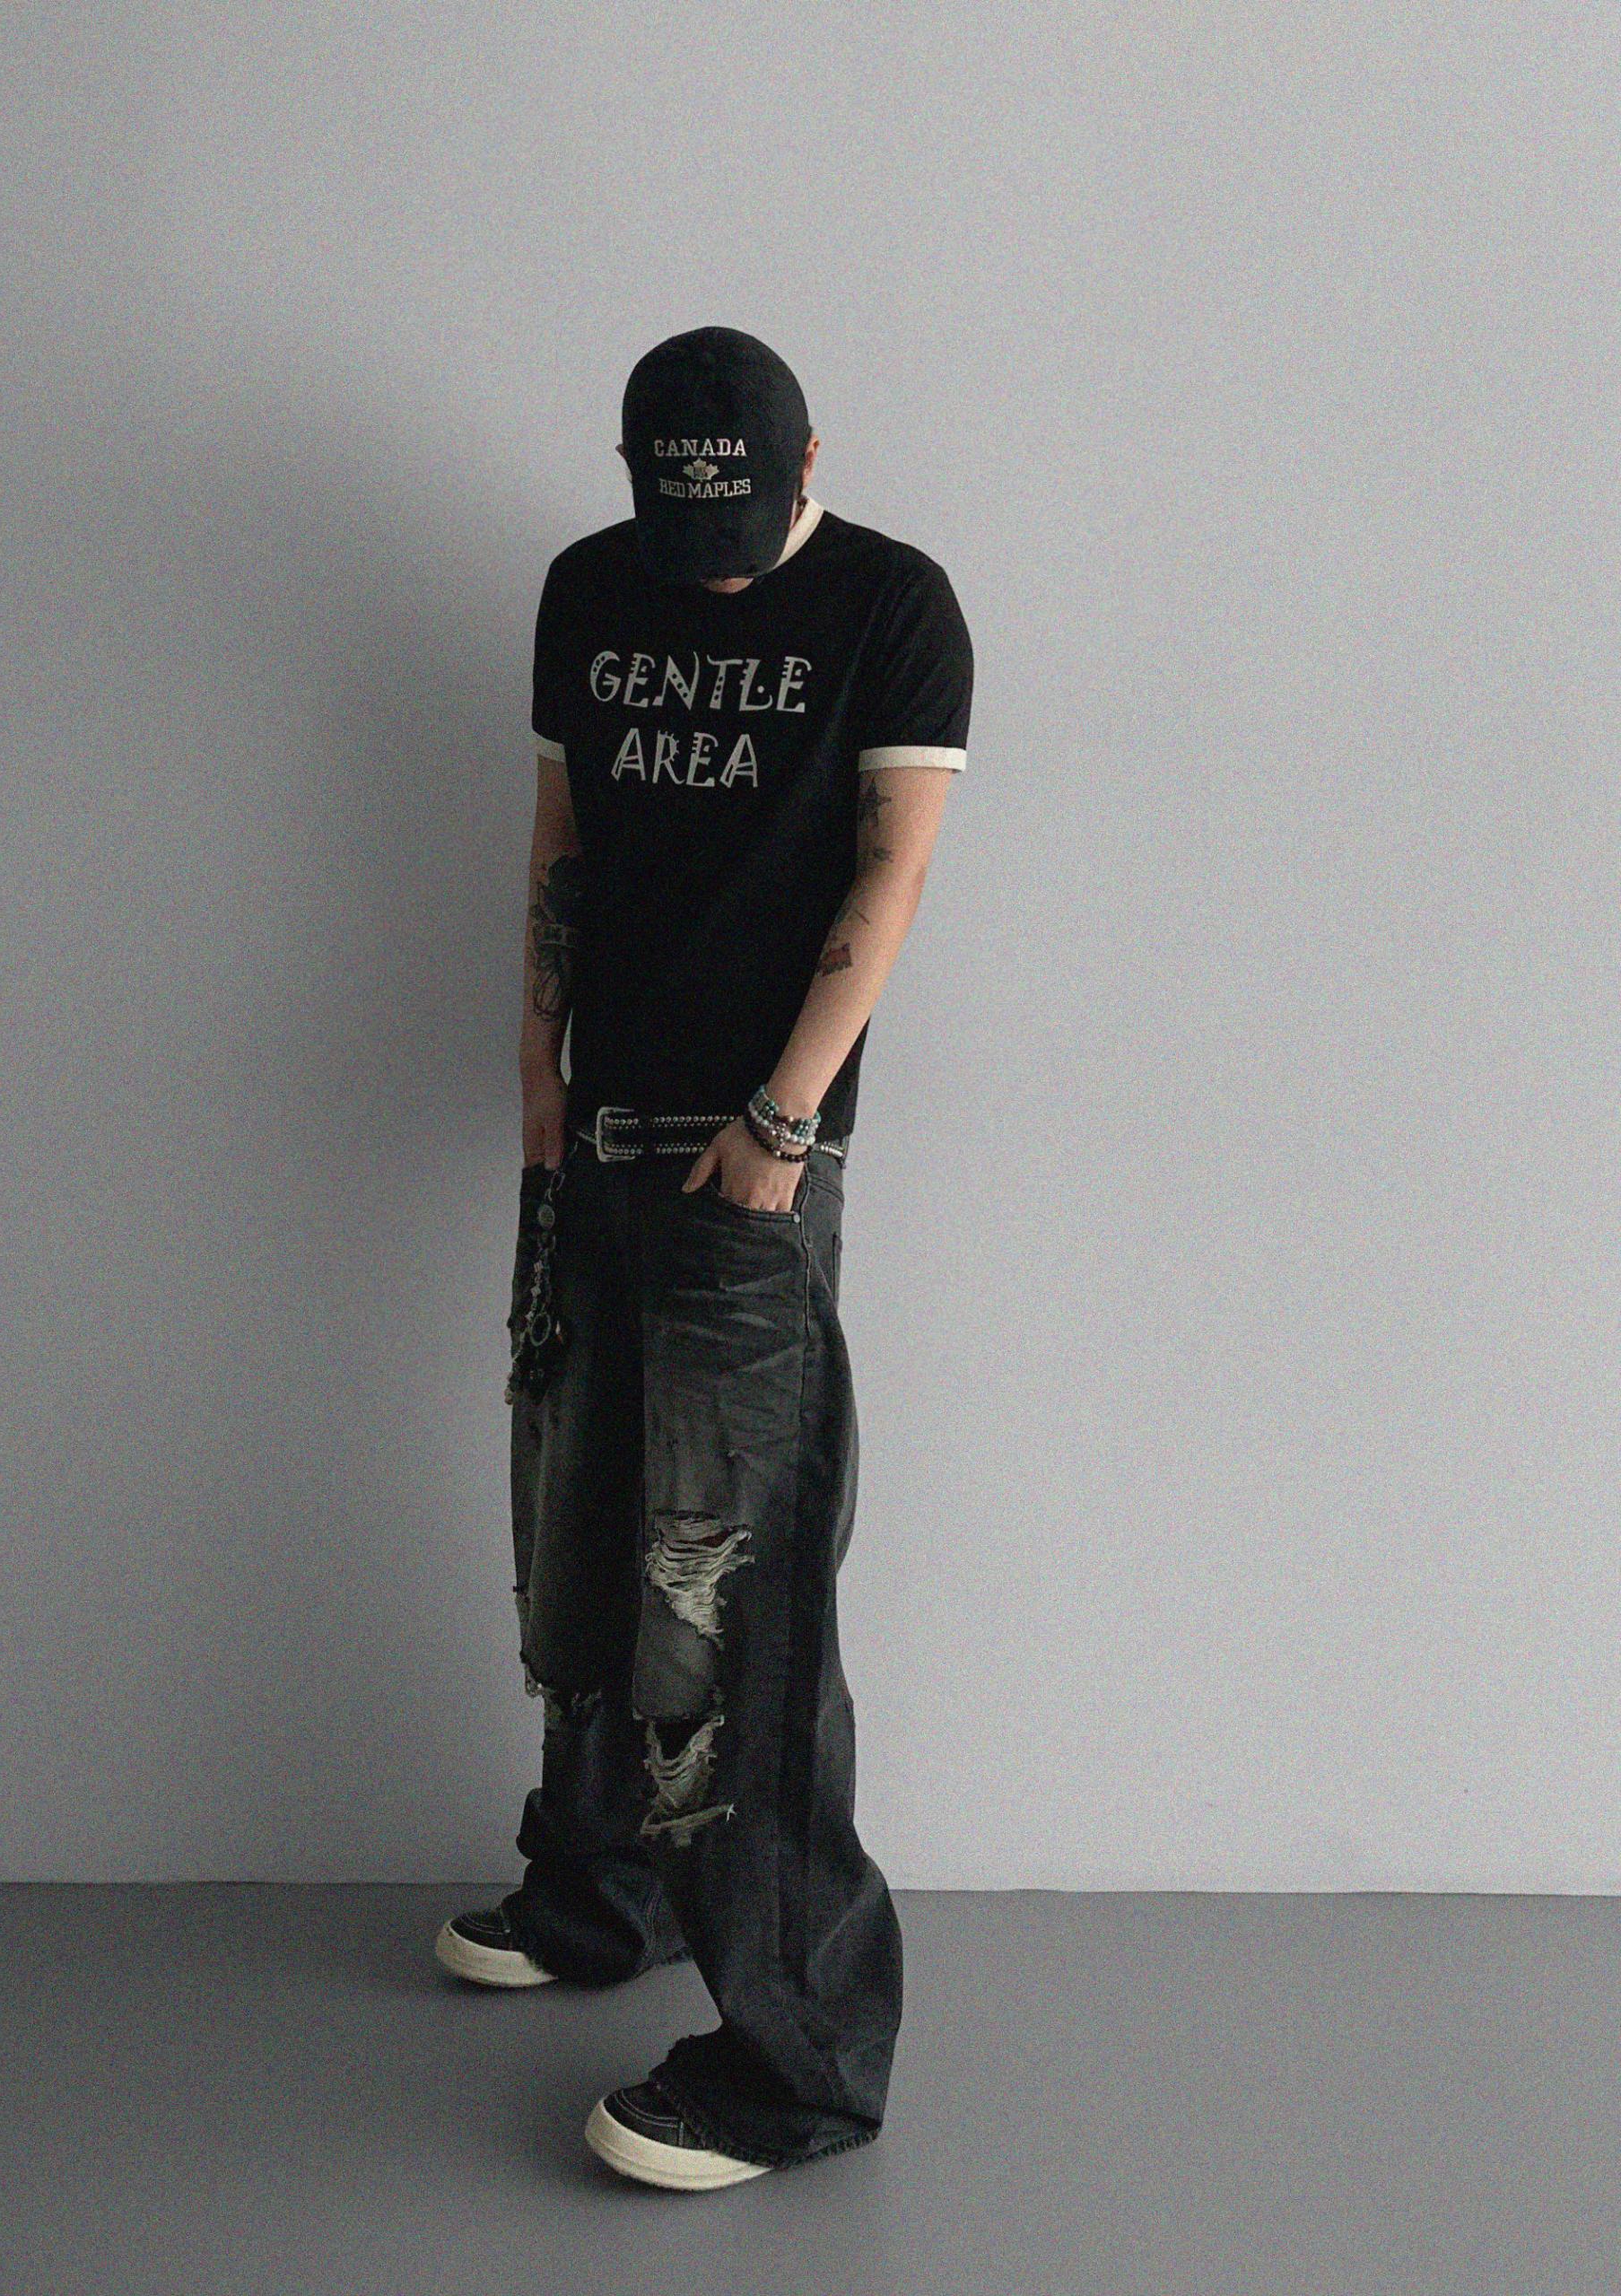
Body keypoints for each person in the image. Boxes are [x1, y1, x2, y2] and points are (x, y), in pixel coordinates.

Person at [434, 325, 975, 2190]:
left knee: (734, 1597)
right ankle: (606, 1892)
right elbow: (563, 835)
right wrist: (538, 1069)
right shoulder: (591, 586)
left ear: (809, 460)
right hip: (594, 1123)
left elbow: (892, 871)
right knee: (584, 1521)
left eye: (743, 525)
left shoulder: (894, 605)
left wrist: (784, 1120)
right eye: (686, 530)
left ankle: (799, 2058)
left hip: (757, 1150)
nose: (717, 568)